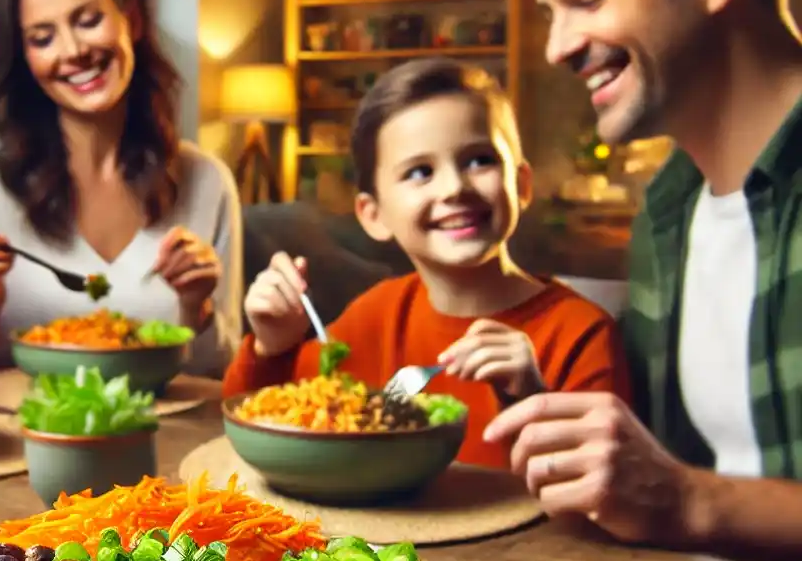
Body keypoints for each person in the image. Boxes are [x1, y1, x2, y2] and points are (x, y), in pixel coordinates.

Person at [484, 0, 802, 554]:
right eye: (551, 11)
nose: (558, 47)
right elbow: (655, 475)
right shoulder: (670, 210)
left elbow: (681, 495)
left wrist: (692, 501)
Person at [222, 58, 629, 469]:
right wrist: (271, 345)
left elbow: (601, 496)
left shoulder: (579, 334)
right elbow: (258, 419)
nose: (454, 187)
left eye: (479, 160)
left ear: (521, 185)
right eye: (419, 171)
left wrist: (531, 398)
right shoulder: (373, 317)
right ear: (373, 215)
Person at [0, 0, 242, 378]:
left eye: (89, 20)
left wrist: (197, 305)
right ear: (24, 58)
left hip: (167, 440)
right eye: (42, 37)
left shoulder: (207, 182)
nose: (73, 51)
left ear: (130, 19)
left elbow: (222, 379)